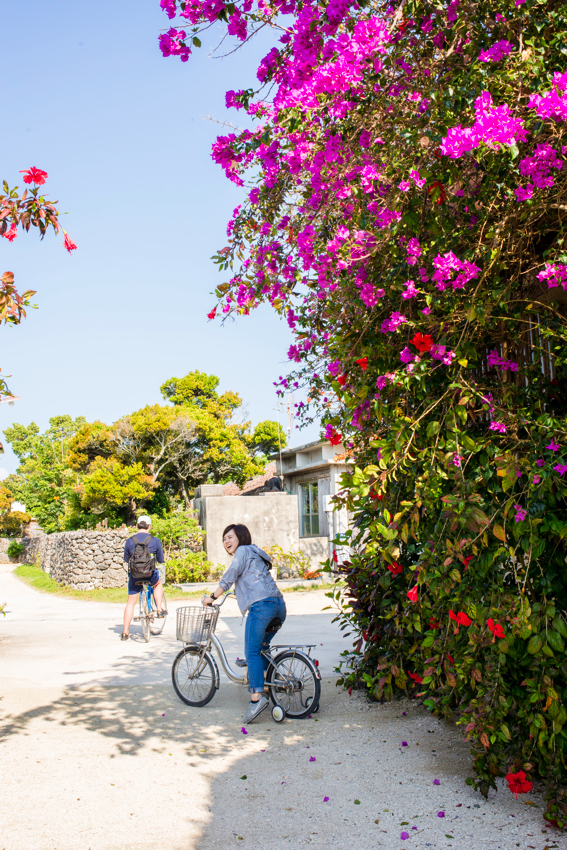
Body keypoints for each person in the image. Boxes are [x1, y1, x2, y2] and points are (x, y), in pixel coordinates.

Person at [203, 523, 286, 723]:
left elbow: (230, 576)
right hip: (279, 606)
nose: (226, 542)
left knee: (251, 652)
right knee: (262, 647)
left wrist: (212, 597)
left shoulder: (242, 551)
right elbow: (252, 577)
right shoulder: (255, 553)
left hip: (261, 607)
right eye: (224, 539)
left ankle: (256, 699)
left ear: (241, 537)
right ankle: (271, 683)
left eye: (230, 537)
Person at [121, 515, 165, 641]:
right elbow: (161, 559)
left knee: (130, 603)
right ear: (149, 526)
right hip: (150, 575)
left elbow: (126, 559)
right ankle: (159, 609)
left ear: (137, 526)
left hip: (135, 576)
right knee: (157, 583)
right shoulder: (155, 540)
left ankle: (125, 632)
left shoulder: (130, 541)